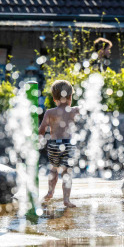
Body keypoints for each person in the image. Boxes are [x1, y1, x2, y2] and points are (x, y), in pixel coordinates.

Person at [39, 80, 79, 208]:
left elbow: (42, 129)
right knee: (67, 173)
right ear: (70, 97)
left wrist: (39, 139)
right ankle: (66, 200)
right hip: (69, 145)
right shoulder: (74, 110)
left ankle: (50, 192)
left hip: (54, 144)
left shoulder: (49, 112)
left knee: (53, 170)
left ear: (54, 98)